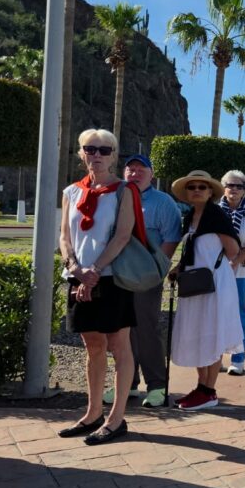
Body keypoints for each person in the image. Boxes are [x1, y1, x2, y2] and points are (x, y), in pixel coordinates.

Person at [57, 129, 137, 445]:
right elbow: (65, 236)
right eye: (90, 149)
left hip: (112, 278)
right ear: (81, 153)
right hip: (80, 277)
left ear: (114, 155)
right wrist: (75, 268)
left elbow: (123, 235)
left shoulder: (124, 191)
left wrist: (96, 270)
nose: (97, 155)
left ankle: (116, 419)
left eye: (105, 150)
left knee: (119, 345)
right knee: (92, 345)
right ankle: (93, 414)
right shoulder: (71, 192)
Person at [107, 154, 181, 409]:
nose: (135, 173)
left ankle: (157, 385)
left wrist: (156, 268)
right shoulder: (114, 196)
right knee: (119, 330)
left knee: (146, 329)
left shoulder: (163, 203)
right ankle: (126, 384)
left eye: (141, 169)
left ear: (151, 174)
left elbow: (171, 238)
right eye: (130, 169)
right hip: (115, 275)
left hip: (146, 276)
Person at [168, 171, 244, 410]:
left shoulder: (215, 215)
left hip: (215, 284)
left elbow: (233, 250)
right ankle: (201, 387)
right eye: (192, 187)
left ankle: (209, 391)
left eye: (203, 186)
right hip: (195, 284)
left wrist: (220, 268)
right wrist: (179, 267)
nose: (197, 190)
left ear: (211, 192)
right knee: (198, 334)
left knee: (212, 335)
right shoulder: (190, 216)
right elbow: (192, 250)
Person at [219, 170, 245, 376]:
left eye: (238, 186)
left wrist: (236, 261)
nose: (233, 189)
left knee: (239, 313)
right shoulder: (215, 210)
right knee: (215, 313)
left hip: (240, 270)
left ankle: (238, 359)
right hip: (217, 269)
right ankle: (216, 358)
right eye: (230, 185)